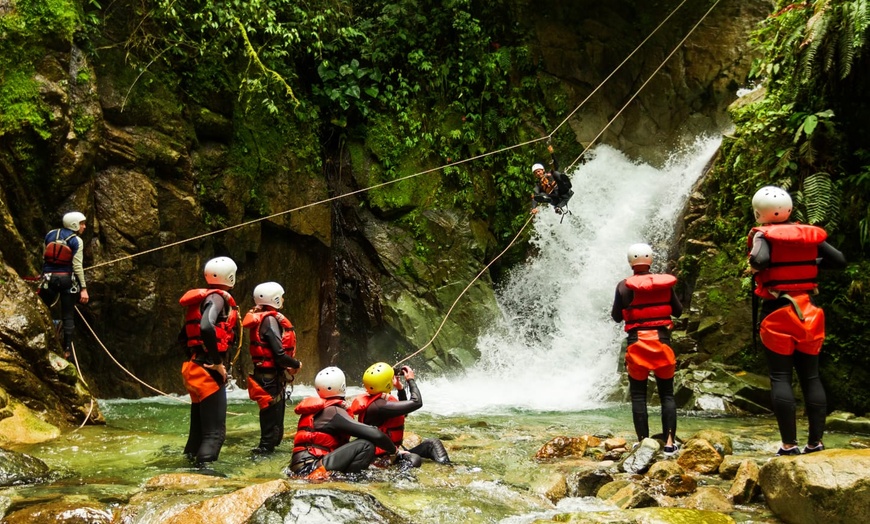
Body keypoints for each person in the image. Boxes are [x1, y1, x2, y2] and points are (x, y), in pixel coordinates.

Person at [748, 186, 845, 456]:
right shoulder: (807, 234)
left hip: (778, 314)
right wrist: (811, 261)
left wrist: (755, 267)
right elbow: (838, 260)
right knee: (811, 376)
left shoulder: (763, 234)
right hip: (810, 313)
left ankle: (789, 445)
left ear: (759, 213)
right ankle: (815, 442)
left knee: (781, 377)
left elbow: (760, 259)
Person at [611, 243, 683, 456]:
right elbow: (678, 311)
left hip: (637, 344)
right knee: (667, 395)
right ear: (650, 260)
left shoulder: (624, 286)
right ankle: (669, 443)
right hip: (661, 343)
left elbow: (616, 316)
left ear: (630, 262)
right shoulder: (664, 285)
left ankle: (643, 442)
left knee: (639, 396)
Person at [178, 256, 239, 466]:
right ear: (230, 276)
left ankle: (186, 468)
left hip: (193, 367)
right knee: (215, 434)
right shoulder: (218, 298)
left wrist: (197, 358)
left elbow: (182, 337)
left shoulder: (201, 300)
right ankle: (204, 475)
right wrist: (216, 362)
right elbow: (205, 326)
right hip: (207, 370)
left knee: (197, 431)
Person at [288, 366, 398, 480]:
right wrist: (394, 451)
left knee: (361, 443)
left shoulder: (320, 410)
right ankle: (351, 482)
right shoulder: (333, 412)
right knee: (365, 445)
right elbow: (374, 433)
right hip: (310, 469)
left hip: (300, 468)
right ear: (343, 387)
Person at [348, 362, 451, 468]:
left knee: (433, 443)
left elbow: (404, 412)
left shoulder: (377, 401)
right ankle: (401, 479)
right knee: (414, 459)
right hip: (382, 456)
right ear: (387, 384)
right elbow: (417, 402)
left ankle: (447, 469)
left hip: (392, 451)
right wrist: (410, 380)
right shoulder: (379, 406)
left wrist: (400, 388)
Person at [242, 281, 302, 454]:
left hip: (269, 376)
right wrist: (296, 364)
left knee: (274, 426)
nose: (283, 299)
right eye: (281, 297)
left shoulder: (263, 318)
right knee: (271, 429)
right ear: (274, 299)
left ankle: (266, 453)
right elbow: (279, 355)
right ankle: (262, 456)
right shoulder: (269, 320)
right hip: (269, 379)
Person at [40, 211, 90, 359]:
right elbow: (77, 265)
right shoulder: (76, 241)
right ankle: (67, 349)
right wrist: (84, 289)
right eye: (82, 224)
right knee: (68, 315)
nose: (84, 227)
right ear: (74, 224)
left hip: (49, 279)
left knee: (44, 307)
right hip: (67, 280)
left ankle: (48, 333)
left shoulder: (50, 234)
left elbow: (45, 256)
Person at [530, 145, 574, 215]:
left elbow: (556, 166)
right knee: (541, 195)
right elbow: (535, 197)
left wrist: (552, 153)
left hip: (563, 192)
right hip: (555, 199)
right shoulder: (538, 185)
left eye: (538, 171)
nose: (538, 173)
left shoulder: (550, 174)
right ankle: (547, 199)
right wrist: (533, 208)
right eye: (535, 173)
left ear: (543, 170)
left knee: (556, 173)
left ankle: (566, 183)